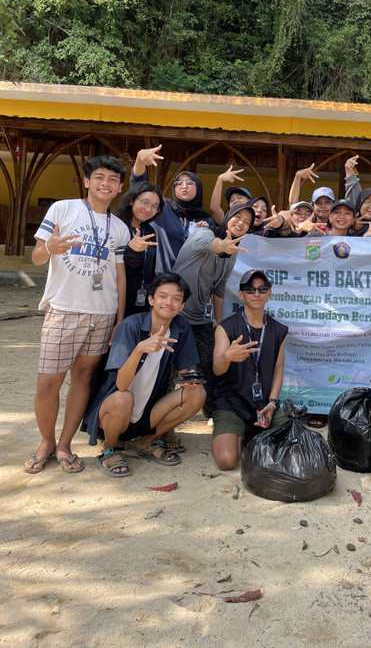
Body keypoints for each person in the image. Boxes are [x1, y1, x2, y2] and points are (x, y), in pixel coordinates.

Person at [24, 155, 130, 475]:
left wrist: (119, 320)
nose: (105, 183)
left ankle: (65, 444)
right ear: (86, 181)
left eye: (112, 179)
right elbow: (37, 256)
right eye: (99, 177)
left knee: (82, 379)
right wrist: (50, 248)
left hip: (102, 314)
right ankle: (45, 442)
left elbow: (120, 277)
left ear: (120, 187)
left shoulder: (120, 228)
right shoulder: (62, 209)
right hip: (64, 308)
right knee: (47, 384)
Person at [81, 273, 205, 477]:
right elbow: (121, 384)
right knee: (123, 397)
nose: (169, 302)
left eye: (176, 298)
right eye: (163, 296)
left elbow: (186, 371)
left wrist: (191, 379)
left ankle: (147, 441)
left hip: (148, 412)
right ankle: (110, 448)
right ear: (151, 299)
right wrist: (139, 349)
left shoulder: (181, 327)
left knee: (197, 394)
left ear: (182, 305)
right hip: (115, 413)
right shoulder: (131, 326)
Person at [171, 204, 253, 418]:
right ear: (226, 217)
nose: (241, 223)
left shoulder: (232, 253)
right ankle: (164, 426)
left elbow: (219, 287)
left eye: (247, 222)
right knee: (170, 371)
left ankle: (213, 412)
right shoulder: (203, 231)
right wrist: (221, 245)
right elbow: (210, 244)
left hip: (201, 318)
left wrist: (218, 322)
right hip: (174, 315)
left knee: (209, 367)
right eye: (238, 217)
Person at [211, 270, 288, 470]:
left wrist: (272, 403)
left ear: (269, 293)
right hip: (232, 403)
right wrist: (228, 356)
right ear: (241, 294)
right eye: (250, 289)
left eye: (262, 289)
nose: (256, 293)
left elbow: (278, 369)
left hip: (264, 404)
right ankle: (244, 435)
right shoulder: (225, 328)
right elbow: (218, 370)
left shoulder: (279, 330)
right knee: (227, 461)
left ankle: (253, 436)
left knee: (292, 444)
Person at [130, 145, 215, 272]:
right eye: (178, 183)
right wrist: (140, 160)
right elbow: (138, 188)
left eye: (190, 183)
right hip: (162, 282)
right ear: (174, 189)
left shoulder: (207, 220)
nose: (184, 186)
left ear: (198, 188)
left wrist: (206, 233)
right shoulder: (162, 207)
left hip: (191, 284)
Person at [114, 181, 164, 317]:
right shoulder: (116, 226)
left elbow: (150, 268)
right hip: (117, 298)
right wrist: (131, 251)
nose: (149, 209)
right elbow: (118, 270)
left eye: (155, 206)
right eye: (145, 202)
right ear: (131, 200)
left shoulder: (149, 230)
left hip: (142, 298)